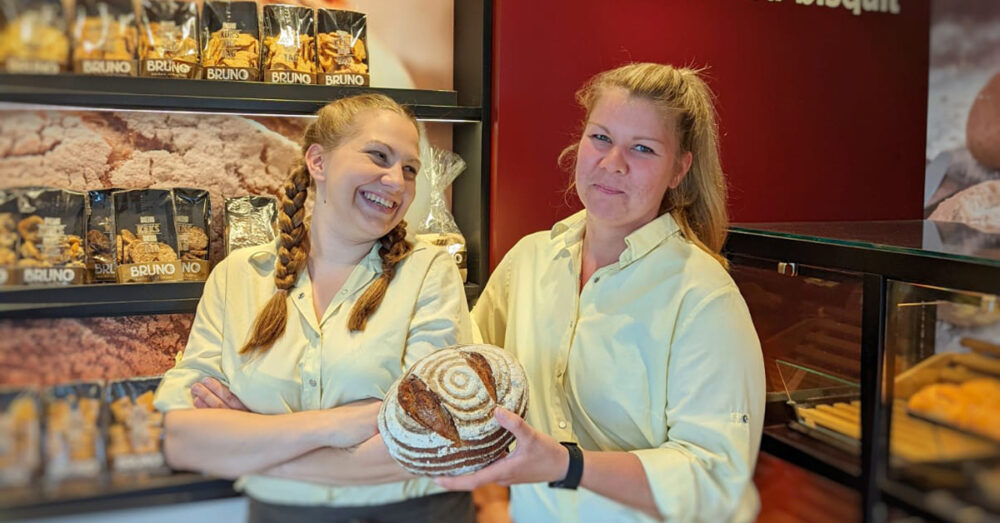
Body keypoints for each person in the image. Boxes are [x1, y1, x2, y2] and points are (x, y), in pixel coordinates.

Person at [437, 63, 767, 523]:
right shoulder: (530, 260)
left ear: (679, 169)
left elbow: (715, 482)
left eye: (643, 148)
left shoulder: (704, 297)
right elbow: (469, 375)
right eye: (601, 138)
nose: (613, 163)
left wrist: (568, 465)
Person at [153, 93, 474, 523]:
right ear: (318, 162)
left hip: (415, 513)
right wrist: (335, 426)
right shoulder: (237, 277)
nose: (396, 181)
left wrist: (254, 446)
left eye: (410, 169)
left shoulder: (429, 272)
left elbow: (431, 440)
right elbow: (183, 438)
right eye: (378, 156)